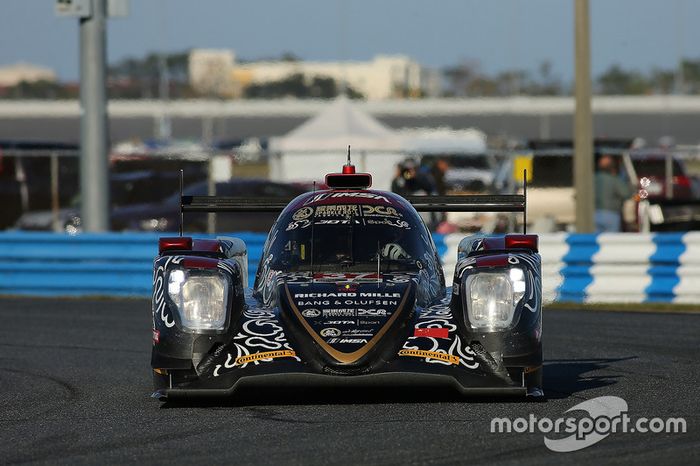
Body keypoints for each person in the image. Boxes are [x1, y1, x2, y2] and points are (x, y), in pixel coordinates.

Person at [594, 154, 633, 232]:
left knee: (596, 239)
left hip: (594, 214)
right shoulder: (615, 180)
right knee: (611, 241)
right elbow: (626, 194)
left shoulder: (592, 178)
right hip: (611, 214)